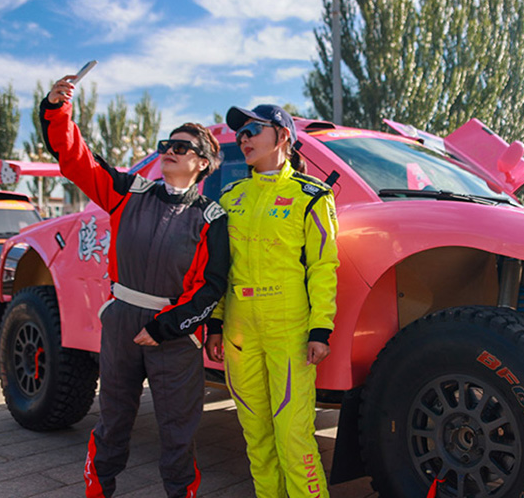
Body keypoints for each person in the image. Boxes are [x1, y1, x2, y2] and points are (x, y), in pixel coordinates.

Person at [42, 75, 230, 497]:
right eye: (166, 144)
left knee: (178, 431)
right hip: (121, 323)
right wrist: (57, 110)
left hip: (175, 334)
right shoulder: (129, 192)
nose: (168, 152)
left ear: (202, 162)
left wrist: (166, 328)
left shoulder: (212, 218)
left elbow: (211, 287)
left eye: (180, 147)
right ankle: (98, 488)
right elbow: (76, 160)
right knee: (114, 420)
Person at [205, 104, 339, 498]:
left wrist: (321, 328)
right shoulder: (231, 197)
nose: (242, 139)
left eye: (252, 130)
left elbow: (323, 266)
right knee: (256, 438)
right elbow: (220, 269)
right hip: (239, 331)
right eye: (240, 133)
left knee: (294, 438)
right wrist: (215, 323)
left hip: (290, 328)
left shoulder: (312, 195)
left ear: (282, 136)